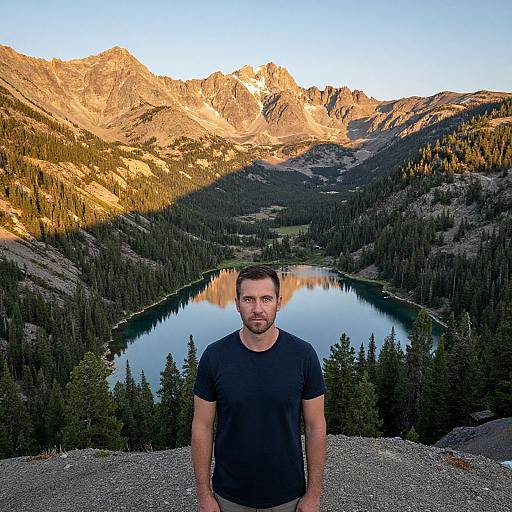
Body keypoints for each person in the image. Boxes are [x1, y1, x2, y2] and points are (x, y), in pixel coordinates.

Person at [192, 265, 327, 512]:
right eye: (249, 299)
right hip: (228, 496)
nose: (257, 309)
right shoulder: (214, 357)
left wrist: (313, 495)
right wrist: (204, 494)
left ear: (279, 302)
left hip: (289, 496)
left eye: (266, 299)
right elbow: (202, 426)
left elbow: (315, 426)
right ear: (236, 303)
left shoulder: (303, 355)